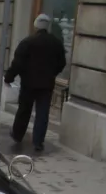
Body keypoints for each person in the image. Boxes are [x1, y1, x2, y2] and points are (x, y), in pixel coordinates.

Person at [4, 13, 67, 152]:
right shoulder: (56, 43)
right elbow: (62, 63)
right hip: (46, 84)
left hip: (28, 83)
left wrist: (9, 77)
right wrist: (52, 73)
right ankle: (38, 141)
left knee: (24, 110)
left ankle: (17, 134)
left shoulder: (28, 42)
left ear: (36, 26)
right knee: (42, 113)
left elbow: (17, 63)